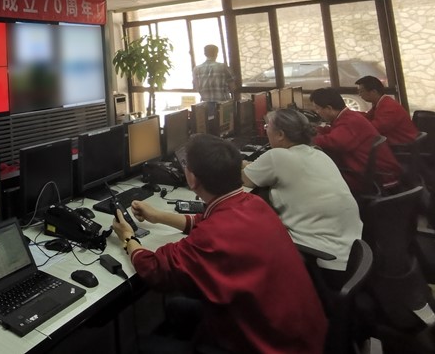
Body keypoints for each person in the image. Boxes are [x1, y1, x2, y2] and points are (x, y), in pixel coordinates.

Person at [112, 134, 327, 354]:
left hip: (270, 347)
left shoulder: (212, 237)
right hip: (298, 333)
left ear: (193, 179)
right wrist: (158, 216)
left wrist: (128, 237)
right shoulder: (253, 203)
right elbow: (208, 222)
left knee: (138, 346)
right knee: (178, 308)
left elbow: (154, 268)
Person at [242, 108, 362, 285]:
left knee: (246, 236)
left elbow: (245, 178)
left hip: (320, 264)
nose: (265, 131)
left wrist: (240, 162)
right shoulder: (319, 154)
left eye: (267, 127)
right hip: (349, 257)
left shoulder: (277, 156)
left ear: (280, 134)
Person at [310, 87, 401, 195]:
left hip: (374, 176)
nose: (317, 112)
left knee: (317, 178)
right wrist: (318, 130)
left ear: (329, 108)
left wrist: (307, 138)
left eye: (317, 108)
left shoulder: (349, 121)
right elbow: (335, 131)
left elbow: (334, 142)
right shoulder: (346, 116)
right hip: (371, 170)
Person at [355, 75, 418, 145]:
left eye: (361, 91)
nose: (360, 95)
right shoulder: (382, 102)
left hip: (401, 144)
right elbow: (368, 116)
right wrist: (351, 114)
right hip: (393, 139)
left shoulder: (389, 107)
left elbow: (375, 128)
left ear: (373, 91)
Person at [192, 45, 235, 119]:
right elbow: (233, 87)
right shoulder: (223, 67)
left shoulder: (196, 69)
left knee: (209, 124)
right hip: (223, 104)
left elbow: (197, 87)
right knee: (224, 125)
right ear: (216, 53)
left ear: (205, 54)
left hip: (205, 105)